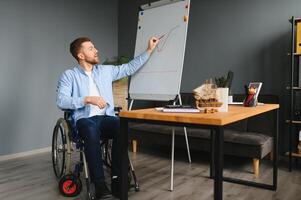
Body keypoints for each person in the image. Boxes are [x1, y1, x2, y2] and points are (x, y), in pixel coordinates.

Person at [56, 36, 159, 199]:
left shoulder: (105, 71)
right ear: (80, 55)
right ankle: (100, 185)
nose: (96, 50)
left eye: (94, 47)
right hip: (85, 119)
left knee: (121, 125)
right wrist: (88, 99)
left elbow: (129, 67)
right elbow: (62, 101)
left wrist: (149, 50)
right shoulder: (69, 76)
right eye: (91, 48)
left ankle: (118, 180)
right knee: (90, 131)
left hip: (106, 117)